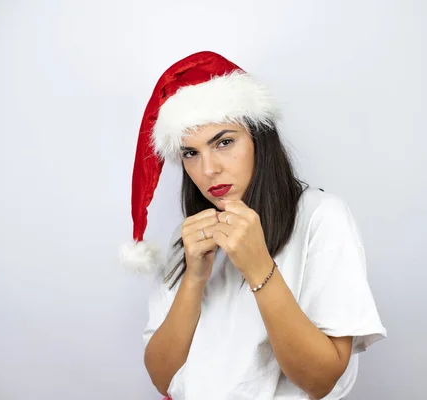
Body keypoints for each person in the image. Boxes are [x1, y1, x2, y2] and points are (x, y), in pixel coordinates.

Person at [121, 51, 387, 400]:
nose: (209, 169)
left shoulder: (321, 217)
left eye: (225, 142)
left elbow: (320, 380)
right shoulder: (186, 238)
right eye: (191, 153)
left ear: (259, 140)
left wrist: (259, 266)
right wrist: (194, 280)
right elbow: (161, 376)